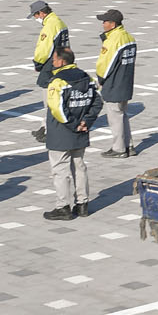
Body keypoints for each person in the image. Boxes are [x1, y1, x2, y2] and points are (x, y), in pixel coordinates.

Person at [43, 46, 102, 221]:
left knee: (60, 170)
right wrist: (86, 122)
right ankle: (82, 204)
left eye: (54, 60)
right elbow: (97, 102)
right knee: (79, 166)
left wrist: (74, 125)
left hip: (61, 132)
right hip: (81, 131)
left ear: (61, 62)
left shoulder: (57, 82)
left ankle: (63, 207)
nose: (53, 63)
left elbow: (56, 108)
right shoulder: (87, 78)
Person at [94, 8, 137, 158]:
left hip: (114, 83)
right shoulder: (129, 37)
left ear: (113, 24)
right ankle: (128, 145)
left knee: (115, 117)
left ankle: (119, 149)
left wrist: (100, 79)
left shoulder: (113, 40)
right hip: (126, 82)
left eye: (105, 21)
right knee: (122, 114)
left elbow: (105, 64)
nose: (103, 24)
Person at [29, 1, 70, 140]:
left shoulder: (50, 26)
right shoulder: (60, 22)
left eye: (35, 15)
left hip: (51, 66)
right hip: (62, 63)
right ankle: (45, 126)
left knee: (49, 100)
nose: (36, 18)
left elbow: (44, 49)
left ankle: (50, 131)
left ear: (41, 13)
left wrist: (38, 63)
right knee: (54, 99)